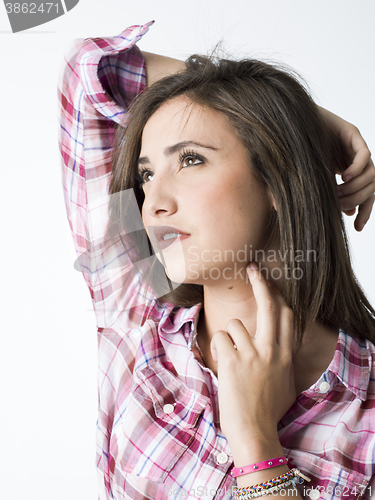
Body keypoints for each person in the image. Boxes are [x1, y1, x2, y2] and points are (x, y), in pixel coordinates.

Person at [58, 21, 375, 500]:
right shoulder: (137, 298)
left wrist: (256, 441)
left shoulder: (365, 410)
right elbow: (89, 72)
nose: (153, 203)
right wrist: (309, 117)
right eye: (146, 174)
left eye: (190, 160)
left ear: (276, 178)